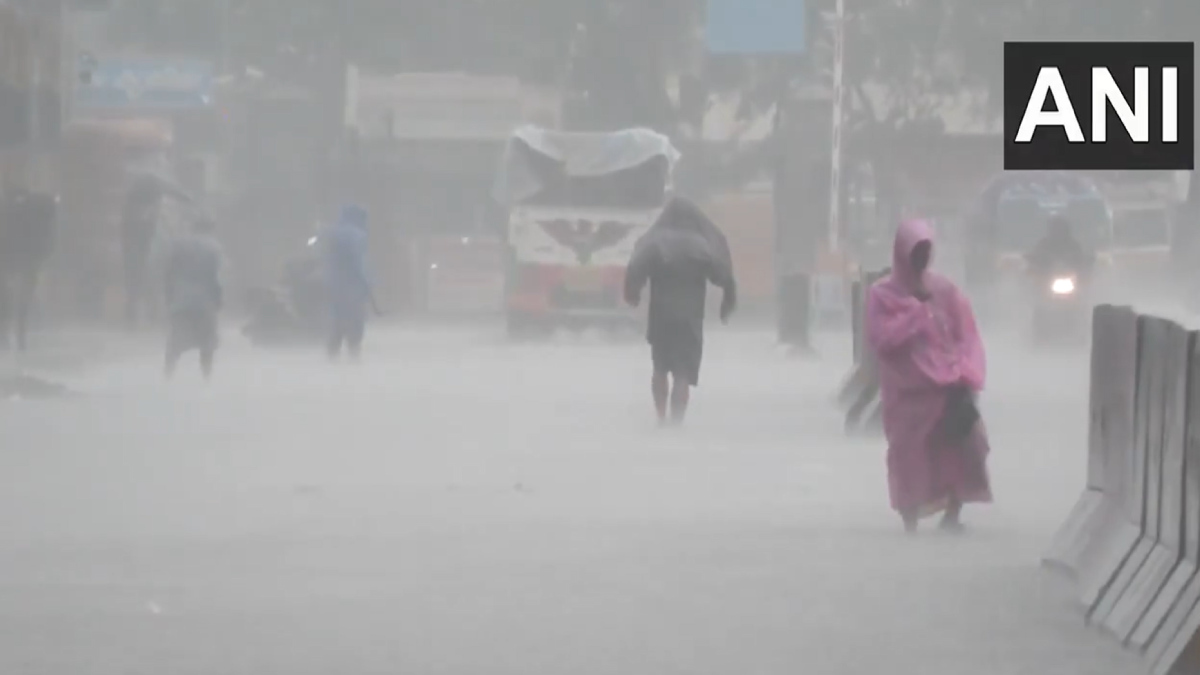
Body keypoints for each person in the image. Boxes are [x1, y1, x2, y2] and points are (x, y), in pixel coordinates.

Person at [866, 218, 992, 534]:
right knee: (908, 454)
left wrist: (965, 371)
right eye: (915, 252)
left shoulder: (944, 290)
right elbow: (882, 339)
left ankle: (953, 513)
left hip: (949, 387)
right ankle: (910, 519)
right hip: (907, 393)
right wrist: (915, 313)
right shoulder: (882, 295)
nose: (920, 259)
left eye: (925, 251)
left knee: (966, 445)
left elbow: (967, 333)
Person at [624, 197, 736, 426]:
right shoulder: (702, 245)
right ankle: (677, 421)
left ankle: (660, 416)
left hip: (661, 315)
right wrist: (728, 302)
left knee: (660, 367)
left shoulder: (655, 241)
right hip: (690, 318)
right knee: (683, 372)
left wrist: (632, 292)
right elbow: (723, 275)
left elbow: (636, 266)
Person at [121, 175, 192, 327]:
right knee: (140, 276)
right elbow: (174, 192)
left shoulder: (137, 207)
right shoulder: (140, 211)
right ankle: (137, 311)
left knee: (140, 277)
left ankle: (138, 312)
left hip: (144, 250)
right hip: (142, 250)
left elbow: (174, 193)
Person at [163, 214, 223, 379]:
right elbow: (215, 278)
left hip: (181, 300)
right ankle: (206, 380)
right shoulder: (214, 247)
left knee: (175, 342)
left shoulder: (179, 244)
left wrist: (169, 297)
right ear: (211, 228)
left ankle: (167, 377)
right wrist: (218, 300)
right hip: (205, 302)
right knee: (207, 344)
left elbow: (168, 273)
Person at [321, 204, 375, 360]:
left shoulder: (331, 232)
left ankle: (332, 355)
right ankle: (353, 354)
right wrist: (369, 281)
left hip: (332, 285)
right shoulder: (357, 235)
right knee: (355, 320)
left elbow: (324, 257)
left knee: (336, 319)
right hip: (353, 286)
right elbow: (361, 262)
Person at [1025, 216, 1094, 278]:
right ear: (1050, 230)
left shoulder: (1073, 245)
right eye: (1056, 229)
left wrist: (1085, 260)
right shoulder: (1043, 244)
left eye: (1061, 229)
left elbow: (1081, 258)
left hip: (1070, 276)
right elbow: (1035, 258)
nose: (1058, 232)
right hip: (1046, 278)